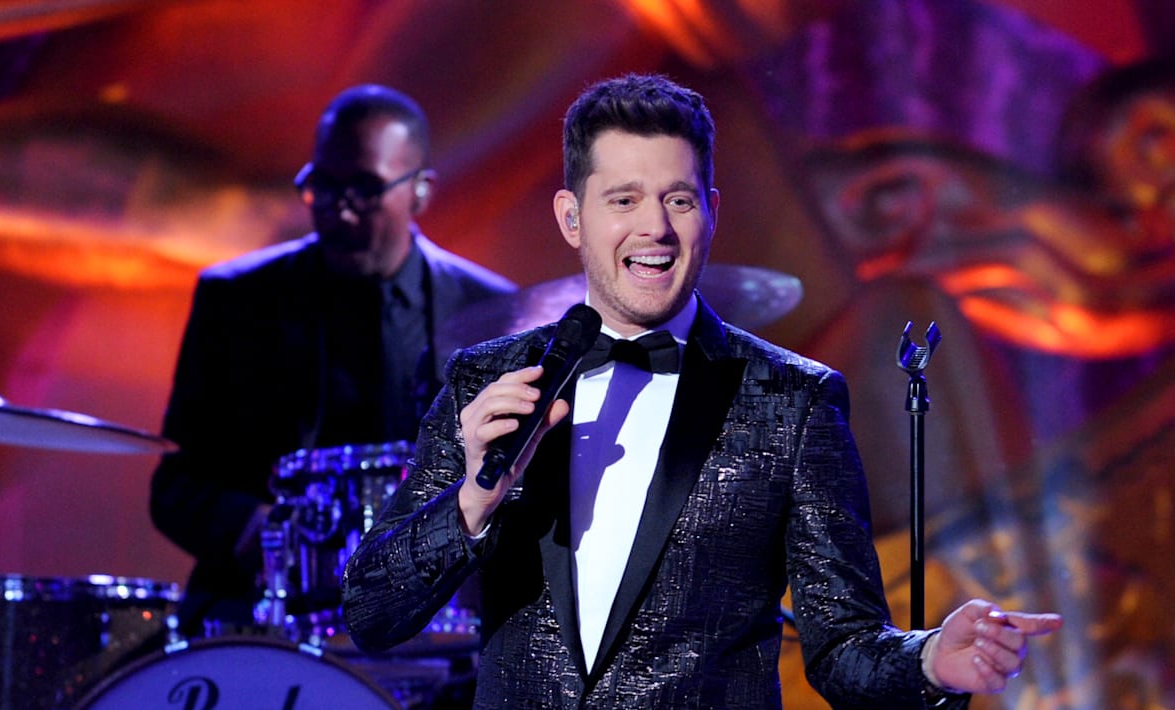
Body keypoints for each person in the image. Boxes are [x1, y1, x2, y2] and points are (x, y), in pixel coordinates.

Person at [341, 73, 1060, 708]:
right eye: (623, 199)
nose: (654, 227)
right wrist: (471, 502)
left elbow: (843, 646)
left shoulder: (792, 400)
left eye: (678, 200)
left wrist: (929, 661)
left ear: (711, 211)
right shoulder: (488, 381)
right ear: (572, 217)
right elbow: (371, 612)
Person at [152, 84, 515, 636]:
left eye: (365, 189)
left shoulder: (492, 310)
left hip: (437, 627)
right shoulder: (236, 300)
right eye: (323, 186)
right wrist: (257, 533)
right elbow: (177, 484)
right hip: (264, 621)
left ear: (420, 191)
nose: (339, 210)